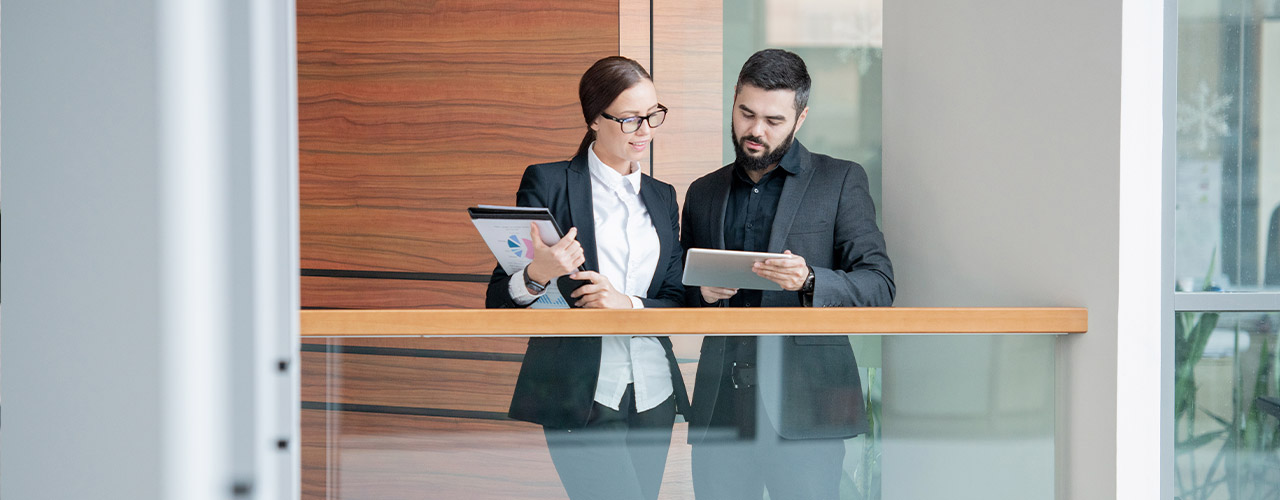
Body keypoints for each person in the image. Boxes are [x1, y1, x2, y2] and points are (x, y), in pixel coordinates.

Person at [680, 48, 895, 500]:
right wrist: (702, 292)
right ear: (734, 101)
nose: (755, 130)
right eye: (746, 113)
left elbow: (879, 283)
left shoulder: (840, 180)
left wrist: (811, 280)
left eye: (774, 120)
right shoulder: (703, 192)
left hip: (808, 408)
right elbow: (679, 294)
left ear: (801, 119)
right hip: (721, 413)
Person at [485, 56, 691, 500]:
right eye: (631, 118)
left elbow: (676, 298)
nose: (646, 130)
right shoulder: (549, 183)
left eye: (653, 114)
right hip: (579, 390)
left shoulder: (662, 196)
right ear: (595, 119)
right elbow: (498, 298)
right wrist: (539, 272)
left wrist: (628, 304)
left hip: (653, 392)